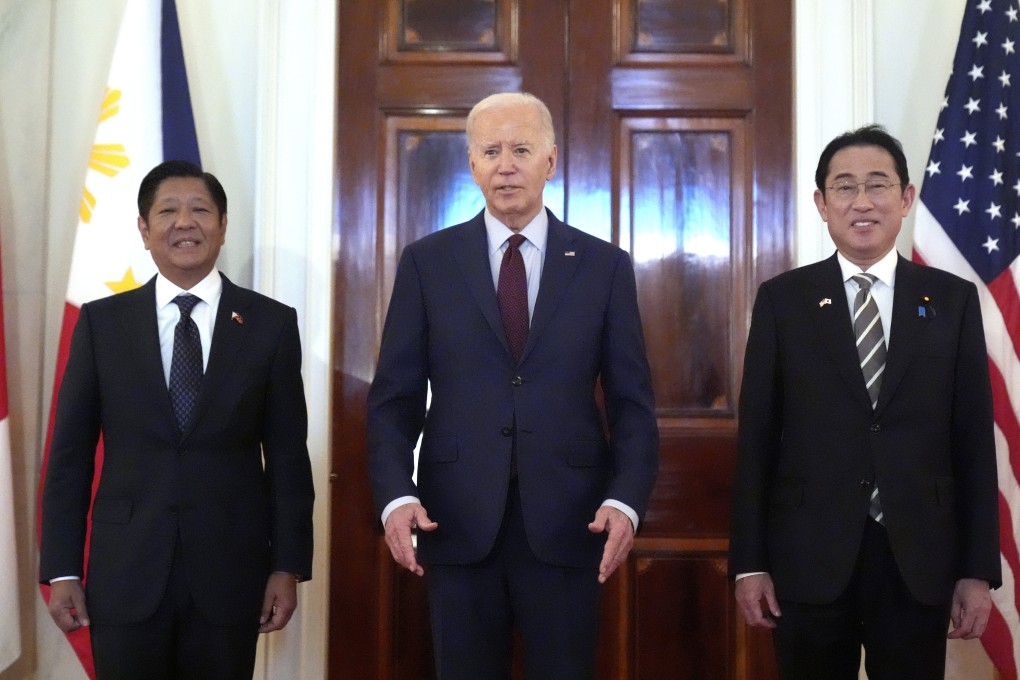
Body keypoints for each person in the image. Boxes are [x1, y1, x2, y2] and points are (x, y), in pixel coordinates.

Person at [367, 92, 659, 679]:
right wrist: (396, 496)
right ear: (471, 164)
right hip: (454, 518)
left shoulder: (603, 266)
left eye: (521, 149)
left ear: (550, 161)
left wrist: (626, 500)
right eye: (491, 150)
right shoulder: (428, 263)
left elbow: (631, 404)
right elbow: (394, 400)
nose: (507, 165)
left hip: (573, 520)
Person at [729, 125, 1001, 679]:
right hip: (808, 556)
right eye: (844, 187)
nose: (861, 202)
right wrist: (749, 564)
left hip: (918, 557)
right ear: (821, 204)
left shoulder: (952, 301)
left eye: (878, 186)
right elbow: (757, 439)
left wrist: (976, 570)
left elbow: (973, 441)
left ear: (905, 199)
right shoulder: (785, 301)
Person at [40, 160, 315, 680]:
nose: (184, 223)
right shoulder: (103, 324)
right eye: (167, 211)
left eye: (200, 210)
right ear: (144, 230)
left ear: (223, 225)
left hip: (231, 572)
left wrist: (287, 566)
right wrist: (62, 568)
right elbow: (69, 458)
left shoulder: (270, 324)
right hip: (125, 571)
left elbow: (286, 458)